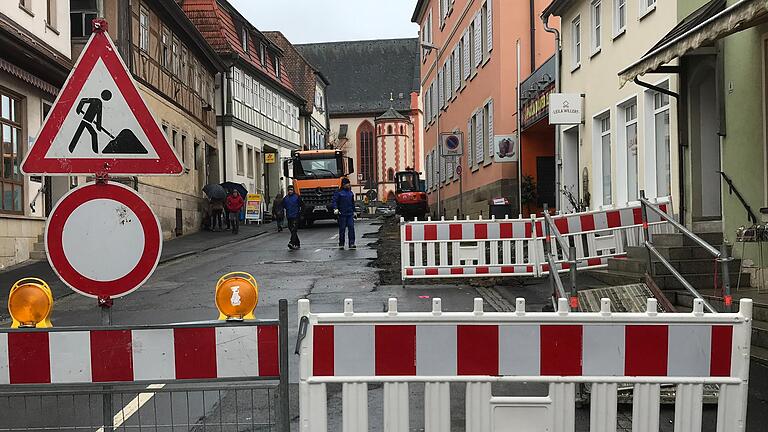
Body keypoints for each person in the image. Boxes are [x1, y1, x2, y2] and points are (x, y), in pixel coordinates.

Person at [332, 177, 356, 249]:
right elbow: (335, 201)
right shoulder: (339, 193)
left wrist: (354, 211)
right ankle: (341, 243)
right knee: (342, 229)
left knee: (351, 228)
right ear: (343, 184)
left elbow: (352, 203)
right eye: (347, 184)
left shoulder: (350, 193)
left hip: (350, 214)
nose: (349, 185)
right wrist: (335, 208)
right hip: (342, 214)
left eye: (349, 184)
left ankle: (351, 243)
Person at [283, 185, 303, 249]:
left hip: (296, 216)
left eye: (291, 190)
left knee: (294, 230)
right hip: (289, 216)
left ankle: (291, 242)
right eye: (289, 190)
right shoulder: (285, 198)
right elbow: (283, 206)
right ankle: (297, 243)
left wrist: (302, 214)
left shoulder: (297, 197)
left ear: (293, 190)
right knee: (292, 230)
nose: (290, 191)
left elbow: (302, 205)